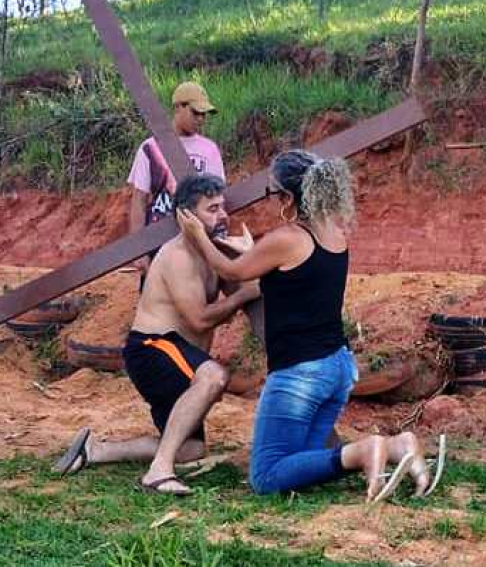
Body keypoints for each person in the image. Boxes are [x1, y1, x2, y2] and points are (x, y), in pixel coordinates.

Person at [178, 149, 429, 502]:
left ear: (292, 197)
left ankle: (363, 451)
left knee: (266, 476)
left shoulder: (287, 239)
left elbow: (231, 272)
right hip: (337, 368)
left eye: (275, 194)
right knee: (302, 466)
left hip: (301, 374)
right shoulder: (333, 232)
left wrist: (197, 235)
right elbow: (292, 273)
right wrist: (255, 250)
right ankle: (395, 446)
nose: (274, 201)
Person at [54, 174, 259, 495]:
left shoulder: (214, 254)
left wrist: (250, 256)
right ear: (187, 217)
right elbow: (199, 319)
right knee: (213, 377)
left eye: (223, 208)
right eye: (212, 209)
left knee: (191, 449)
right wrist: (243, 296)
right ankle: (158, 472)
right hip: (152, 349)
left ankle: (96, 450)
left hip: (180, 358)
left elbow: (248, 281)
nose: (223, 216)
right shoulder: (178, 256)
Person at [127, 82, 224, 280]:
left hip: (195, 242)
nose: (201, 119)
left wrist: (218, 239)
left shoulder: (209, 149)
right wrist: (139, 250)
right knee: (155, 303)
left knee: (196, 300)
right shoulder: (150, 148)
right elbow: (138, 200)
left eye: (204, 114)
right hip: (158, 241)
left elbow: (218, 200)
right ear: (178, 107)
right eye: (195, 113)